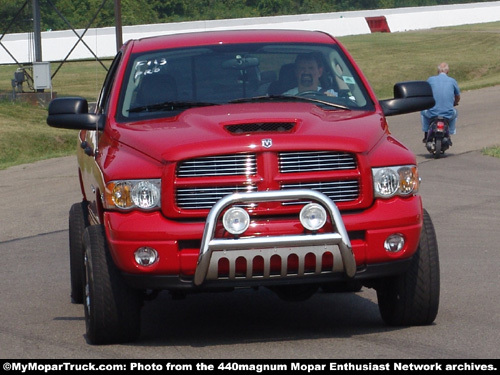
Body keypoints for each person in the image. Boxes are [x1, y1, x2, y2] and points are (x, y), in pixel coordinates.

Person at [421, 62, 461, 143]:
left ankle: (425, 132)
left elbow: (425, 93)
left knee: (422, 112)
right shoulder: (452, 81)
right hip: (448, 113)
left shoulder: (430, 79)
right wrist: (455, 103)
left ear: (438, 71)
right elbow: (457, 96)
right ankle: (451, 131)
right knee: (455, 113)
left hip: (432, 112)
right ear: (447, 71)